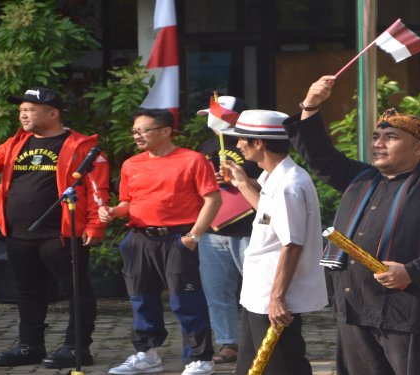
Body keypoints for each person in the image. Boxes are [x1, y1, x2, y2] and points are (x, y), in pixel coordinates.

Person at [283, 76, 420, 374]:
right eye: (376, 137)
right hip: (354, 307)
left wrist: (411, 271)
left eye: (390, 138)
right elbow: (319, 156)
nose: (378, 144)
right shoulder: (359, 178)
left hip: (407, 313)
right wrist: (311, 105)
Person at [0, 87, 110, 368]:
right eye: (21, 109)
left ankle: (76, 348)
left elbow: (98, 189)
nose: (22, 114)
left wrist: (95, 226)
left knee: (76, 290)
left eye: (29, 109)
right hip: (19, 233)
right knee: (28, 292)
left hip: (60, 234)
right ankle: (30, 346)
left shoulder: (81, 146)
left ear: (53, 113)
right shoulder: (15, 143)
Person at [100, 108, 221, 375]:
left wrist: (193, 236)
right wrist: (112, 212)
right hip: (139, 239)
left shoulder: (193, 160)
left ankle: (200, 358)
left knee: (185, 300)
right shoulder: (132, 164)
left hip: (178, 238)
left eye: (143, 130)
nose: (137, 136)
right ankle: (147, 354)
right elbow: (127, 203)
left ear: (166, 131)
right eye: (134, 131)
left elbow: (213, 199)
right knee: (141, 299)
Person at [221, 109, 327, 375]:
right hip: (259, 293)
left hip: (273, 293)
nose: (237, 145)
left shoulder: (289, 184)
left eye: (241, 139)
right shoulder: (273, 176)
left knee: (281, 365)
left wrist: (277, 298)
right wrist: (243, 184)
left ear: (258, 143)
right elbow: (270, 219)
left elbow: (292, 244)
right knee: (254, 364)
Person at [196, 96, 262, 364]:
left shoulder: (253, 144)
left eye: (218, 115)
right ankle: (228, 342)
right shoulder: (207, 146)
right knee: (216, 291)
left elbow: (272, 181)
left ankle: (259, 340)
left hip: (248, 228)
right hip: (212, 230)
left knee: (257, 289)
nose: (212, 122)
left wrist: (244, 180)